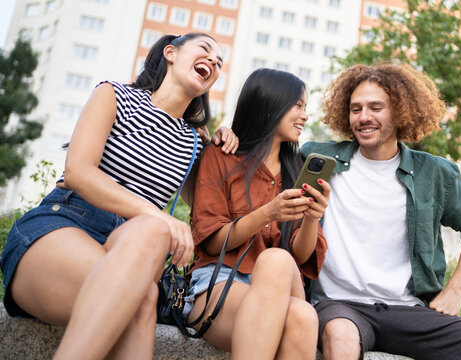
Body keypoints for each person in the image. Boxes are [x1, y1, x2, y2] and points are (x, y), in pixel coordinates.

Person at [0, 32, 239, 359]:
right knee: (150, 247)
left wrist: (219, 151)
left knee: (143, 297)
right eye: (205, 50)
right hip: (64, 225)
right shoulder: (114, 95)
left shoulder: (194, 141)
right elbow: (78, 172)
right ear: (171, 53)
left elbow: (211, 209)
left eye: (220, 62)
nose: (213, 61)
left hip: (135, 251)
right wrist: (157, 216)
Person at [300, 63, 461, 360]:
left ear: (400, 110)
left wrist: (456, 289)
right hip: (340, 306)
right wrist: (225, 134)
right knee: (340, 335)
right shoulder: (319, 158)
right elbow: (266, 149)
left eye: (375, 107)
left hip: (408, 310)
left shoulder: (433, 172)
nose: (364, 117)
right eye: (356, 109)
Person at [186, 68, 329, 360]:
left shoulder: (297, 170)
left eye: (305, 108)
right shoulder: (223, 156)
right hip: (221, 281)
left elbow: (300, 258)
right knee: (302, 316)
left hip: (282, 287)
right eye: (298, 106)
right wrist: (268, 213)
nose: (304, 116)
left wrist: (313, 217)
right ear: (270, 105)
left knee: (278, 261)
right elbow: (214, 243)